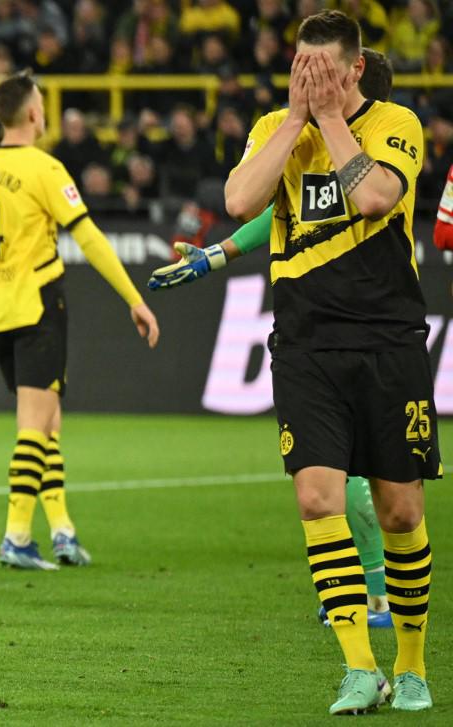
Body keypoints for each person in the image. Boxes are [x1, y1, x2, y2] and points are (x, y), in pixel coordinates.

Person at [222, 11, 437, 714]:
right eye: (300, 67)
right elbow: (238, 200)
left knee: (400, 511)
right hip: (305, 345)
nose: (310, 79)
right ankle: (358, 667)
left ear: (354, 69)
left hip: (388, 341)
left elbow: (374, 197)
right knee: (317, 498)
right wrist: (295, 119)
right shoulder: (274, 128)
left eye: (323, 69)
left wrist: (332, 118)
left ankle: (411, 665)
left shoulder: (396, 122)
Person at [147, 47, 397, 631]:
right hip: (311, 333)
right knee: (335, 474)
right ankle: (367, 593)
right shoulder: (309, 144)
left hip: (373, 328)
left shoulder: (379, 152)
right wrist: (215, 255)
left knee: (380, 485)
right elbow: (276, 211)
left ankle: (381, 597)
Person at [0, 71, 159, 571]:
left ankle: (63, 530)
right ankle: (16, 536)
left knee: (48, 420)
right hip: (38, 305)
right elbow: (87, 237)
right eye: (42, 105)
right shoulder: (45, 168)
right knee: (33, 426)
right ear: (32, 113)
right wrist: (133, 298)